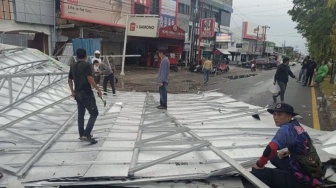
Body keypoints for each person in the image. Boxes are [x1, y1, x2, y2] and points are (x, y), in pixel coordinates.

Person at [251, 103, 324, 188]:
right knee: (275, 157)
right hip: (309, 170)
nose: (275, 117)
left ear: (289, 116)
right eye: (274, 114)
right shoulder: (296, 125)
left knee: (256, 171)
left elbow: (271, 148)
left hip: (301, 180)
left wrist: (259, 164)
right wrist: (289, 151)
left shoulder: (285, 129)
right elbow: (306, 144)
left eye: (279, 114)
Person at [68, 48, 102, 142]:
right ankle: (86, 134)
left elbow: (69, 80)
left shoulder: (73, 65)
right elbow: (90, 78)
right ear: (86, 55)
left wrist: (72, 92)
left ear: (77, 56)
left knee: (81, 114)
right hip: (86, 93)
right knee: (94, 113)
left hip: (77, 93)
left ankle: (81, 134)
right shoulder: (87, 65)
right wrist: (98, 89)